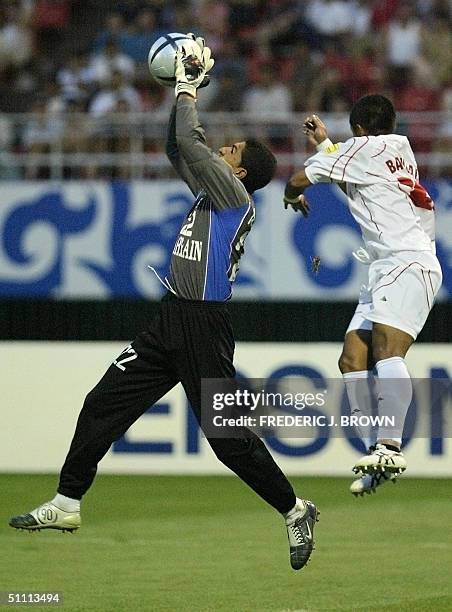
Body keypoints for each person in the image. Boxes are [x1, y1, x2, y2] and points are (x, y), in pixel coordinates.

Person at [10, 37, 319, 571]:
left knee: (226, 440)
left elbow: (192, 143)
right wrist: (182, 98)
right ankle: (66, 502)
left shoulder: (235, 198)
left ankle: (295, 510)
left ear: (240, 173)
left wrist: (187, 89)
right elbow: (179, 148)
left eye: (231, 152)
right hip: (170, 318)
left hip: (204, 325)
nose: (222, 151)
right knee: (101, 403)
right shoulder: (212, 193)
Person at [283, 94, 442, 495]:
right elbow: (356, 171)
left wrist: (289, 197)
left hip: (405, 262)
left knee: (388, 353)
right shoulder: (399, 148)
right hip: (389, 266)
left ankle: (390, 444)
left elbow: (297, 180)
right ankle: (377, 449)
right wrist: (325, 144)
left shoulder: (360, 150)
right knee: (352, 357)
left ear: (357, 129)